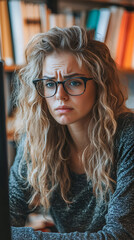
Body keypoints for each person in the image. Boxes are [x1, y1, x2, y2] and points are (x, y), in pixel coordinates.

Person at [9, 26, 134, 240]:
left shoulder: (127, 135)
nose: (60, 95)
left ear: (100, 84)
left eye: (74, 82)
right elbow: (9, 213)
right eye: (50, 84)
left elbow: (119, 236)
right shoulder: (37, 137)